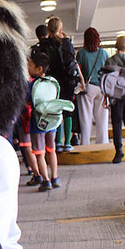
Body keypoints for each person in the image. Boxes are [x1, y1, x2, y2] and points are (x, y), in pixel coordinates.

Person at [37, 17, 84, 152]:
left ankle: (57, 142)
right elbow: (72, 62)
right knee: (68, 111)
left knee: (55, 110)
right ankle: (67, 142)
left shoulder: (44, 45)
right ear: (61, 29)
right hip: (68, 81)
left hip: (53, 82)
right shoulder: (66, 43)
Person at [103, 35, 125, 164]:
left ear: (116, 46)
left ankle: (118, 150)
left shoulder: (109, 61)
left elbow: (105, 81)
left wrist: (105, 96)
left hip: (115, 95)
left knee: (116, 121)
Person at [28, 52, 60, 192]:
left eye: (30, 65)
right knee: (51, 150)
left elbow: (26, 101)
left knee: (39, 153)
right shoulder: (53, 82)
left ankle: (46, 180)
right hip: (52, 120)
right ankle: (55, 177)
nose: (28, 67)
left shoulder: (32, 85)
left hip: (37, 122)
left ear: (39, 68)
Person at [76, 28, 110, 145]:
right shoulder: (104, 53)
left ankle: (85, 143)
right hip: (102, 87)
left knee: (85, 118)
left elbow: (78, 70)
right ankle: (103, 142)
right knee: (102, 118)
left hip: (87, 87)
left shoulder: (81, 53)